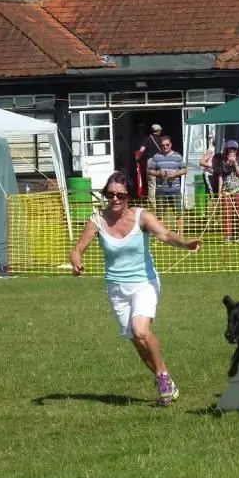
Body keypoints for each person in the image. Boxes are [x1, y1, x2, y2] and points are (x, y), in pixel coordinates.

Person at [70, 171, 201, 406]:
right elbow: (79, 247)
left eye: (120, 194)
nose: (115, 199)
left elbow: (166, 234)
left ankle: (161, 377)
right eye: (110, 194)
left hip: (144, 283)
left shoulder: (142, 217)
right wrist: (76, 260)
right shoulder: (97, 220)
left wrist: (186, 244)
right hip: (116, 288)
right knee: (137, 342)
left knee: (140, 330)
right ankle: (165, 380)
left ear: (128, 195)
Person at [147, 135, 187, 235]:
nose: (165, 147)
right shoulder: (156, 157)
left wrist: (175, 174)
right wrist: (159, 174)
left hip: (175, 189)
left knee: (178, 213)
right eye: (162, 145)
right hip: (161, 190)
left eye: (167, 145)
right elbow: (150, 171)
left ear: (171, 145)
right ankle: (161, 235)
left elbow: (185, 169)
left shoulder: (178, 156)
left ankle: (180, 235)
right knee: (160, 214)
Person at [214, 140, 239, 243]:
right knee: (227, 214)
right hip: (226, 190)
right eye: (230, 149)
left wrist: (234, 163)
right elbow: (221, 176)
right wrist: (219, 191)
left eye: (234, 149)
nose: (232, 151)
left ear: (237, 150)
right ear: (227, 150)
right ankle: (228, 235)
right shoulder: (223, 161)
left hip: (238, 189)